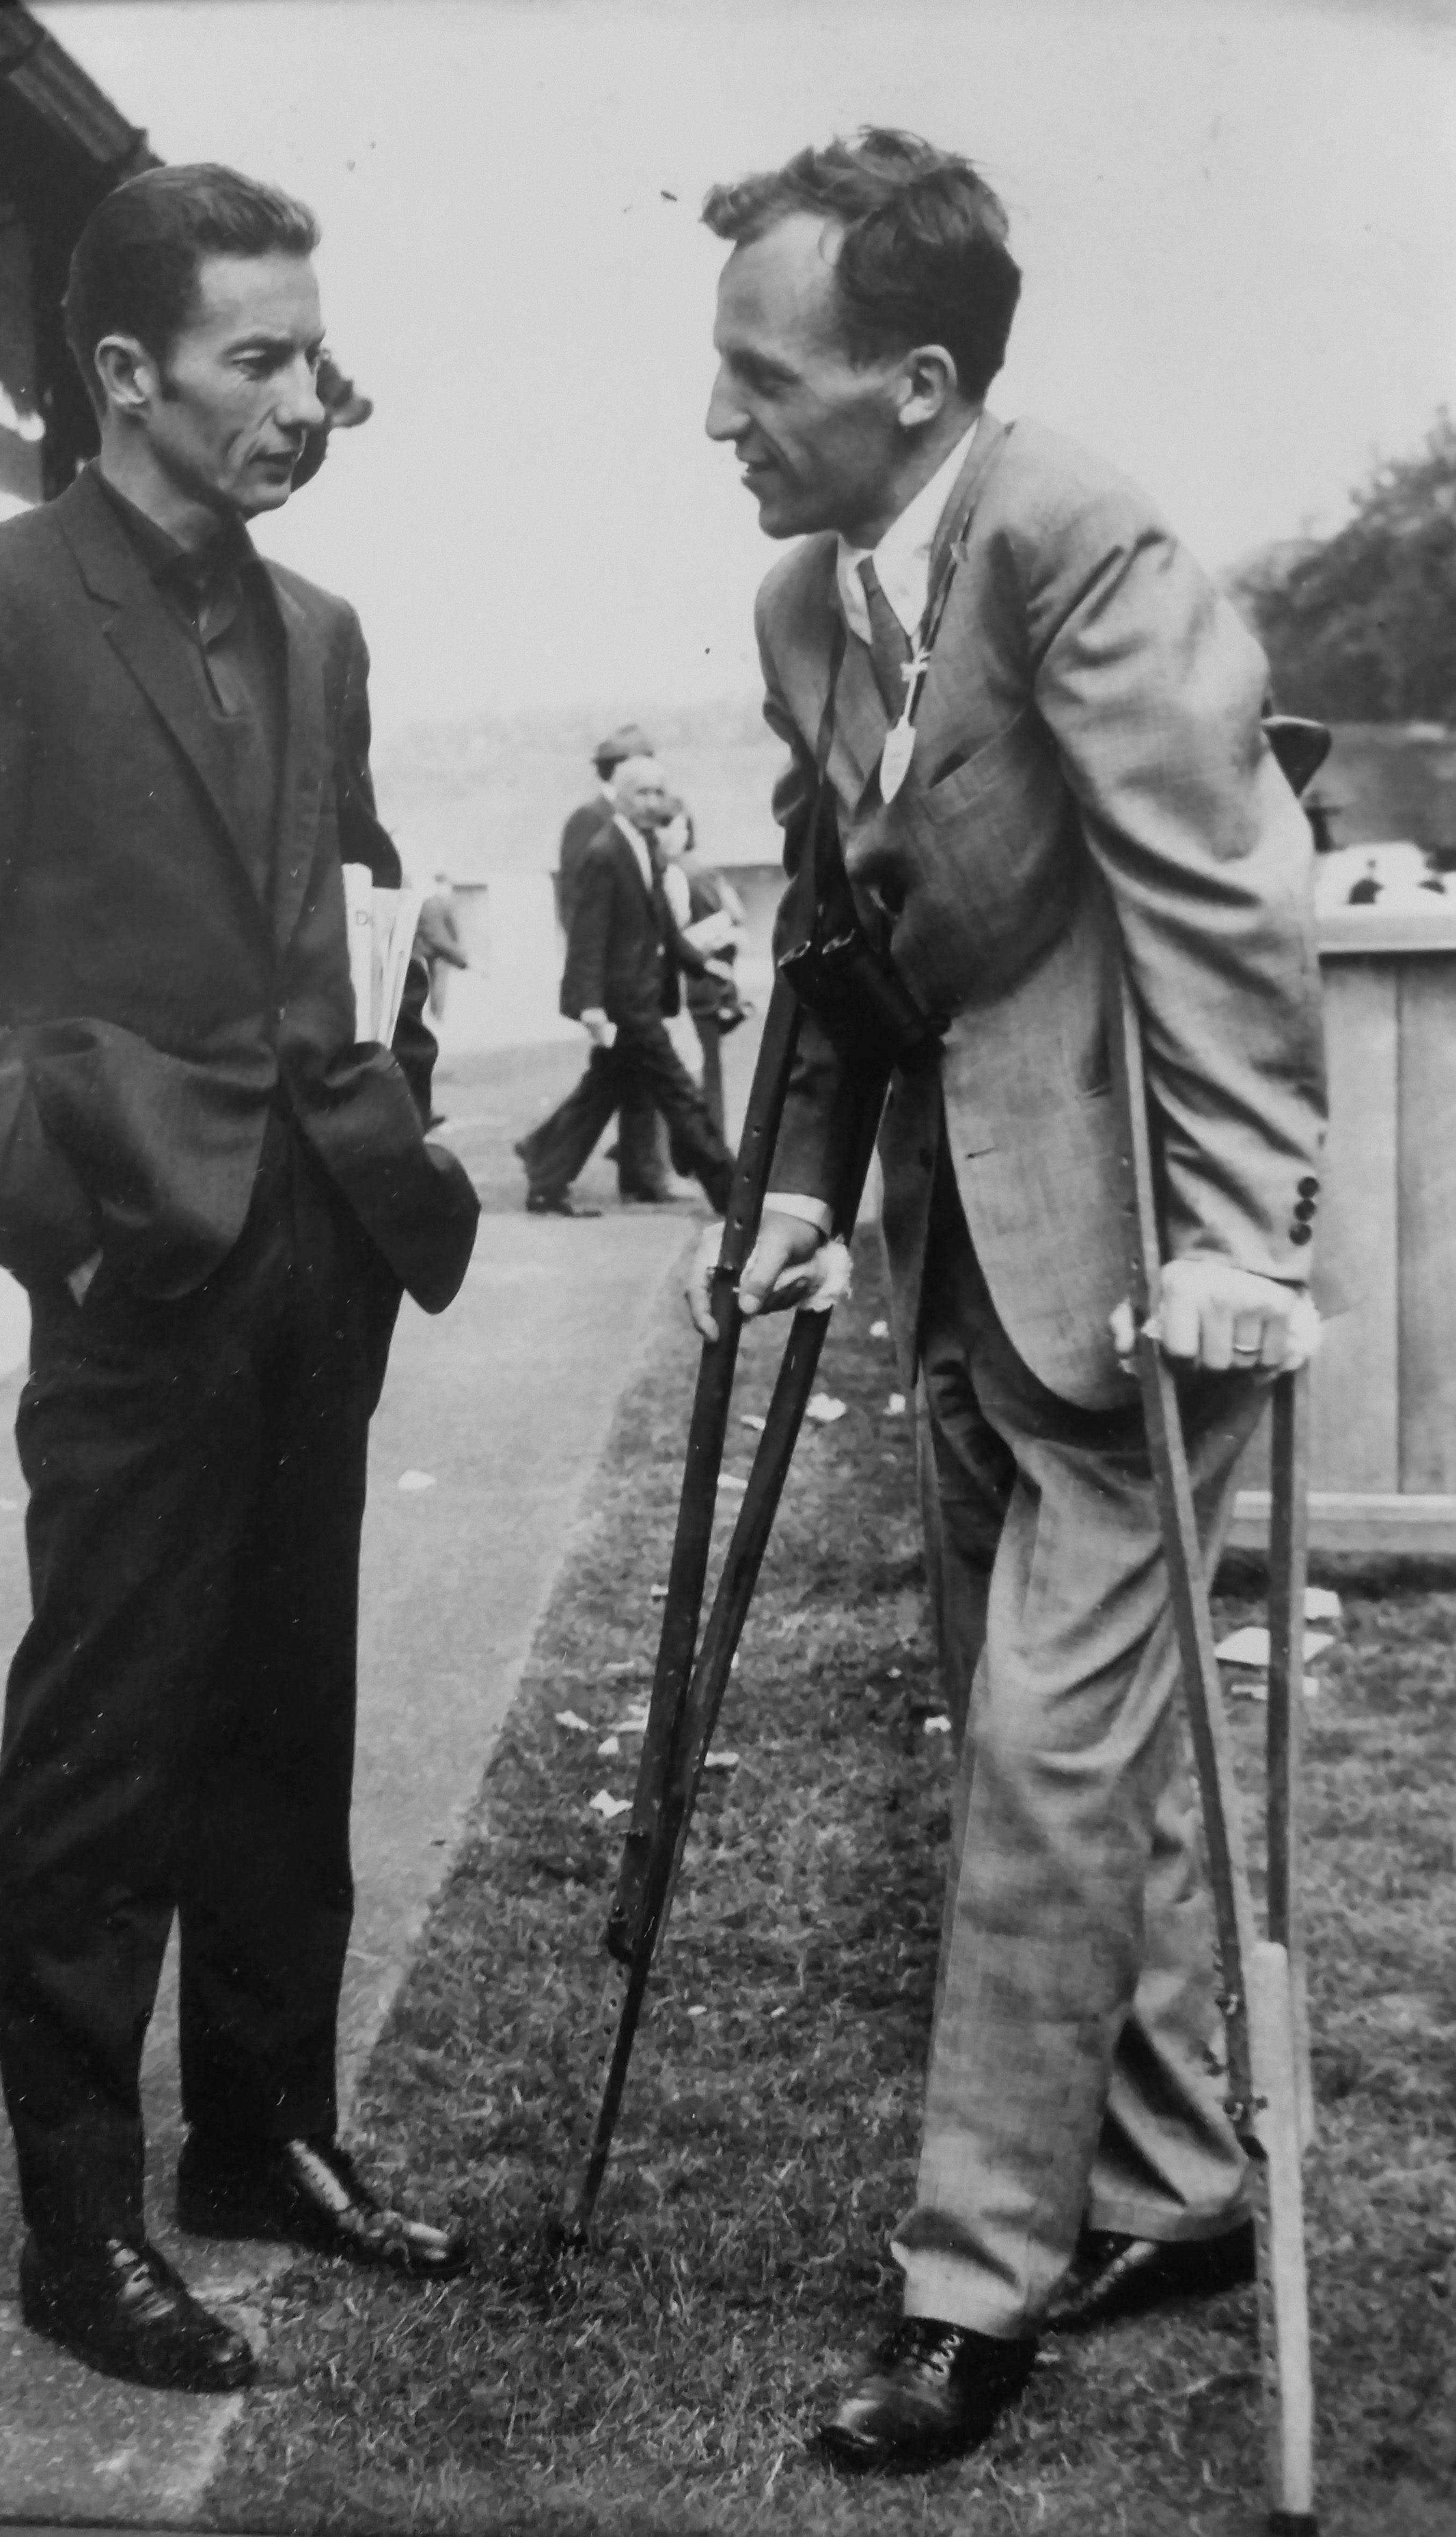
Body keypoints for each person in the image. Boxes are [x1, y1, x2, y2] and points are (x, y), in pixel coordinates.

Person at [689, 129, 1327, 2471]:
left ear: (915, 378)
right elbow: (842, 926)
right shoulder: (799, 605)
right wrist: (788, 1184)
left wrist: (1241, 1234)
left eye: (759, 379)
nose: (718, 420)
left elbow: (1218, 881)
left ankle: (971, 2286)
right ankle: (1169, 2179)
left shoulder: (1069, 530)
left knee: (1044, 1766)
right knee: (1048, 1739)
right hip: (956, 1241)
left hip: (1145, 1265)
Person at [0, 165, 481, 2396]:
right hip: (134, 1261)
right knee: (109, 1739)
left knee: (281, 1709)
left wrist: (387, 1074)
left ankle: (262, 2129)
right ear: (123, 373)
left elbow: (332, 902)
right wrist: (77, 1222)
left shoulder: (319, 629)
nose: (306, 395)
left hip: (319, 1244)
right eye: (259, 357)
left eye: (312, 352)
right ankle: (77, 2216)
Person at [516, 754, 736, 1218]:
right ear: (621, 795)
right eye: (643, 792)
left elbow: (660, 927)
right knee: (680, 1094)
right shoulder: (605, 851)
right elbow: (588, 935)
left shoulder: (644, 846)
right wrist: (590, 1006)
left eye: (660, 792)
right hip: (626, 1005)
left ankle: (545, 1177)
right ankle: (732, 1194)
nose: (654, 801)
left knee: (600, 1093)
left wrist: (702, 966)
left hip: (641, 997)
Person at [557, 724, 673, 1202]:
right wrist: (595, 991)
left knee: (619, 1080)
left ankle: (637, 1171)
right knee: (632, 1080)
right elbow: (578, 907)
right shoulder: (590, 819)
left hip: (640, 976)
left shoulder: (634, 816)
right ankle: (644, 1173)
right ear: (619, 769)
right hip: (616, 981)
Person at [658, 803, 749, 1140]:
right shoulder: (700, 872)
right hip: (702, 978)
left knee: (694, 1070)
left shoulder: (683, 873)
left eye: (678, 827)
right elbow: (734, 917)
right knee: (701, 1071)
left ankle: (704, 1144)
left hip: (694, 981)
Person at [412, 871, 469, 1021]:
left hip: (432, 950)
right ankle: (438, 1017)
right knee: (439, 983)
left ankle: (436, 1015)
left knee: (434, 982)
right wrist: (457, 954)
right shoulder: (438, 905)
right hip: (441, 952)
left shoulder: (429, 904)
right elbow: (440, 935)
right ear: (441, 886)